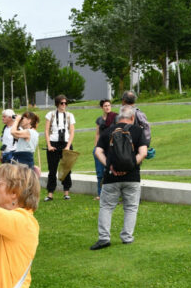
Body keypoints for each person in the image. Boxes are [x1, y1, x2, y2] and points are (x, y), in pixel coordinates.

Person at [90, 105, 149, 250]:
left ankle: (104, 238)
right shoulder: (137, 131)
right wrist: (130, 166)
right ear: (132, 118)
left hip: (111, 177)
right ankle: (127, 237)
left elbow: (97, 151)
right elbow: (143, 153)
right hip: (132, 177)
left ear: (118, 118)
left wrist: (109, 165)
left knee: (106, 207)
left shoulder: (109, 131)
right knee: (131, 207)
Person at [43, 94, 76, 201]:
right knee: (52, 170)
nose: (64, 105)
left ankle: (66, 193)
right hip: (53, 143)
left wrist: (68, 146)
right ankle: (50, 194)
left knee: (67, 169)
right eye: (62, 103)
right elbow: (46, 131)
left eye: (66, 103)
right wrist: (49, 145)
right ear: (57, 104)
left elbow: (72, 132)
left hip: (66, 143)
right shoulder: (50, 114)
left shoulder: (70, 115)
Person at [93, 99, 117, 200]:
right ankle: (100, 194)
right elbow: (97, 134)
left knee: (112, 170)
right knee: (100, 172)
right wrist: (95, 147)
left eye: (109, 105)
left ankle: (113, 193)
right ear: (102, 107)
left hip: (111, 148)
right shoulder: (99, 120)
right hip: (101, 148)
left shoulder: (115, 118)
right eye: (105, 106)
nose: (107, 107)